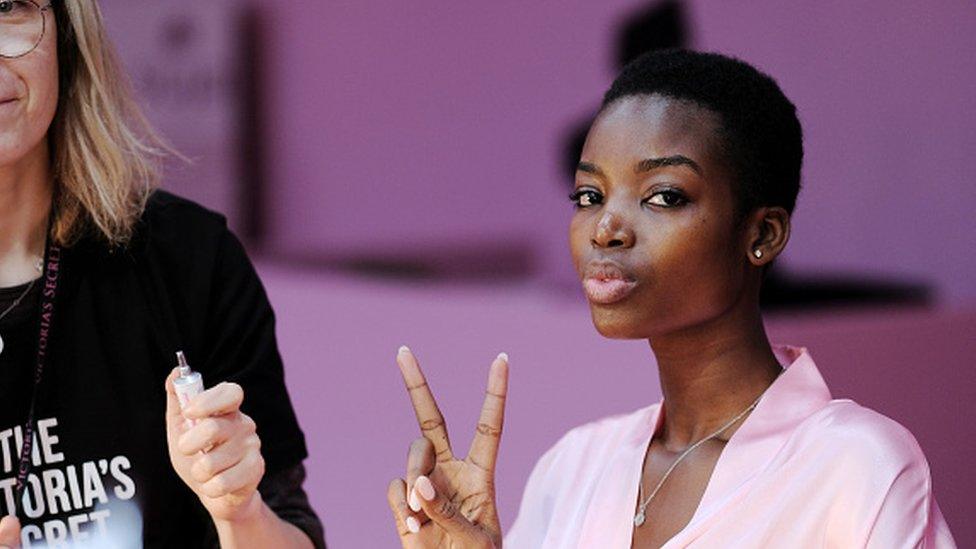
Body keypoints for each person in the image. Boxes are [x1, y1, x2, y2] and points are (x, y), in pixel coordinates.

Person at [385, 50, 956, 548]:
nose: (605, 227)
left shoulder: (857, 467)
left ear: (761, 235)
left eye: (662, 197)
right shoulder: (571, 468)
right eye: (589, 194)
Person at [0, 1, 323, 547]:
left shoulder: (191, 261)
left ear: (66, 29)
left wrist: (239, 514)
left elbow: (293, 530)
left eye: (10, 6)